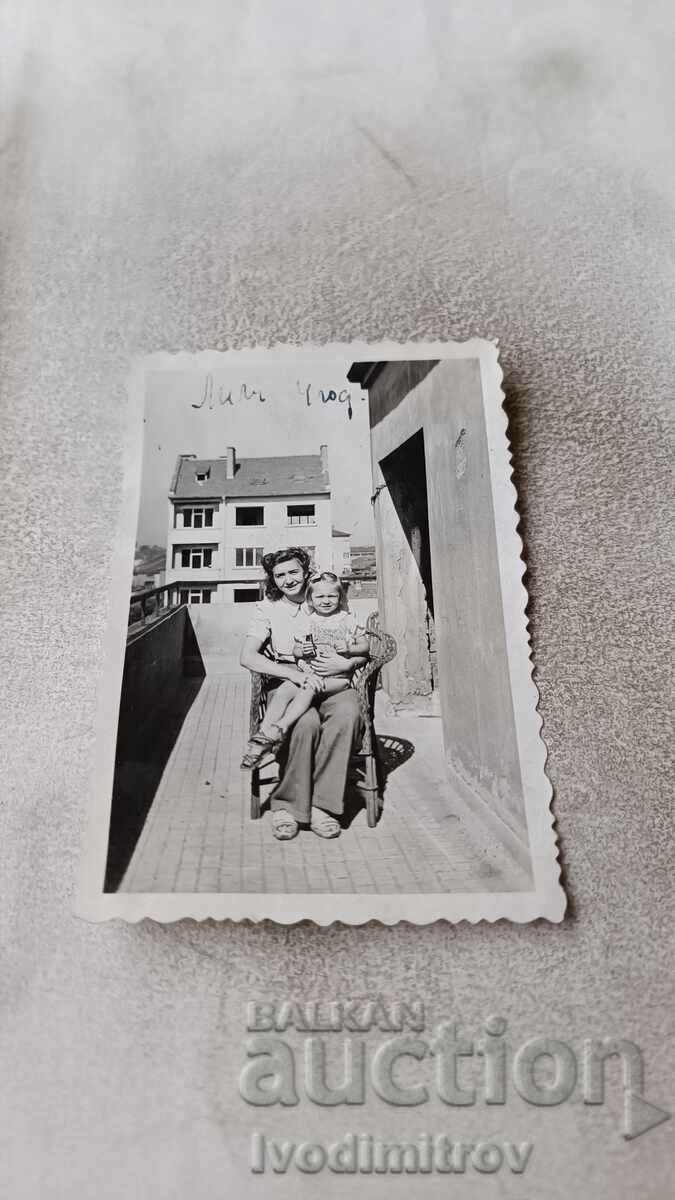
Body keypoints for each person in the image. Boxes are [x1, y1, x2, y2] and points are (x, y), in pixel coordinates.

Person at [239, 549, 366, 841]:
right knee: (305, 723)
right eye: (280, 575)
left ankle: (324, 805)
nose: (288, 580)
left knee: (347, 714)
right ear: (273, 580)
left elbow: (361, 646)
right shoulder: (268, 609)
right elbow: (247, 656)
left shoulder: (327, 597)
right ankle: (288, 806)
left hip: (334, 678)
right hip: (290, 684)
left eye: (293, 572)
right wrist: (293, 674)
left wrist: (348, 663)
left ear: (306, 571)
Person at [240, 571, 368, 768]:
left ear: (340, 597)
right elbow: (296, 650)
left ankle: (281, 726)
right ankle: (263, 738)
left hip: (338, 677)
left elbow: (365, 646)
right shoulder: (307, 620)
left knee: (308, 690)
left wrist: (350, 649)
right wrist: (302, 650)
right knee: (284, 690)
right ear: (310, 599)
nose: (326, 601)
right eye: (320, 596)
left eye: (332, 596)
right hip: (310, 673)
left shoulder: (347, 618)